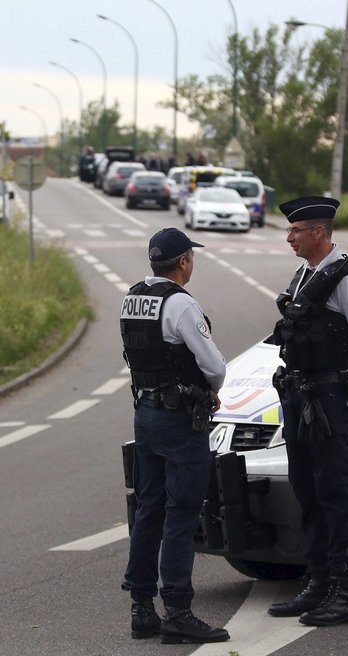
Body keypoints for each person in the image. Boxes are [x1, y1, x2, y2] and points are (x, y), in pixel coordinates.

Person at [265, 196, 348, 627]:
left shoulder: (346, 280)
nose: (289, 237)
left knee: (334, 492)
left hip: (328, 398)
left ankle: (342, 587)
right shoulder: (306, 275)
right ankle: (317, 579)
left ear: (319, 232)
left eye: (296, 231)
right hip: (299, 398)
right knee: (307, 489)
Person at [120, 227, 230, 645]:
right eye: (191, 257)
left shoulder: (133, 297)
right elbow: (215, 368)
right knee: (182, 513)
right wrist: (207, 390)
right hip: (179, 421)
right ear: (183, 261)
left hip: (145, 411)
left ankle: (142, 609)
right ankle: (179, 612)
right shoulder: (181, 304)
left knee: (148, 510)